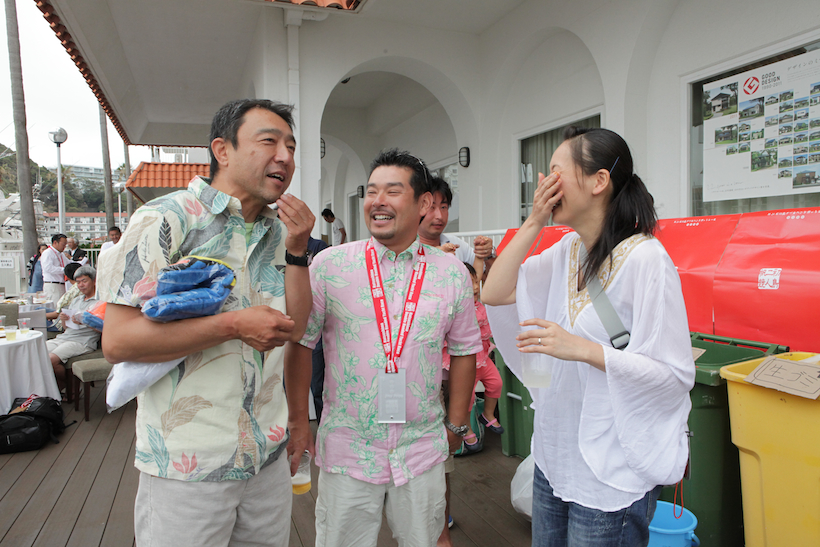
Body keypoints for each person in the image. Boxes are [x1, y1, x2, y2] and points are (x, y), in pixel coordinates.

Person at [97, 99, 314, 547]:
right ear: (222, 150)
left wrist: (298, 250)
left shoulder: (281, 232)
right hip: (187, 463)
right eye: (269, 142)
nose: (285, 157)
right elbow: (117, 342)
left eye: (291, 147)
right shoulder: (165, 218)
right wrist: (232, 325)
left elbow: (296, 328)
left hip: (267, 456)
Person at [482, 126, 694, 547]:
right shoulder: (568, 250)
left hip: (611, 472)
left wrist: (582, 349)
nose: (546, 184)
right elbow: (494, 292)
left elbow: (673, 375)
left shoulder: (647, 260)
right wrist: (534, 220)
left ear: (599, 181)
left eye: (556, 172)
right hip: (554, 458)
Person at [285, 149, 482, 547]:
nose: (378, 201)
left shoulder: (451, 274)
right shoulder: (329, 266)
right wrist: (299, 422)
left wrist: (457, 423)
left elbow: (464, 350)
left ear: (423, 203)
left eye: (392, 191)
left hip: (421, 449)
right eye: (372, 191)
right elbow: (301, 344)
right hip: (348, 449)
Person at [417, 176, 494, 273]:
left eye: (443, 207)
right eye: (431, 207)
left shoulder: (457, 245)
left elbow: (484, 277)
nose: (439, 216)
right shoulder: (405, 249)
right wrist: (435, 257)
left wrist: (487, 255)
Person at [46, 265, 101, 400]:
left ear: (94, 281)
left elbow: (104, 328)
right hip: (65, 337)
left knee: (51, 359)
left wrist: (86, 321)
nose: (81, 285)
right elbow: (66, 328)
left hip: (83, 341)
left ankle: (67, 387)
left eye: (84, 281)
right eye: (78, 282)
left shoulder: (100, 301)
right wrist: (64, 319)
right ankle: (51, 390)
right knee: (37, 353)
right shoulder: (76, 300)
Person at [306, 235, 330, 422]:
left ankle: (321, 422)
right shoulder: (282, 244)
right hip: (295, 322)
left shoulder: (318, 246)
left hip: (317, 325)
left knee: (318, 383)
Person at [41, 234, 68, 303]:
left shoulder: (61, 254)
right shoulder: (47, 253)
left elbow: (68, 263)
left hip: (61, 284)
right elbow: (48, 268)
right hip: (52, 284)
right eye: (63, 244)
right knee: (55, 306)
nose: (64, 247)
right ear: (55, 242)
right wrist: (65, 270)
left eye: (65, 244)